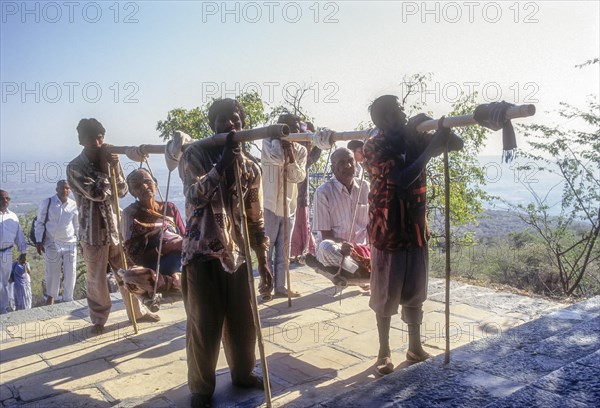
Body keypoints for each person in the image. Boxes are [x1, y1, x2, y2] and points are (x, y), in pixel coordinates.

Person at [179, 98, 273, 407]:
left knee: (243, 323)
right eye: (222, 120)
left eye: (235, 120)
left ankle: (243, 374)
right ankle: (201, 389)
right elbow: (194, 195)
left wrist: (264, 260)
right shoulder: (195, 154)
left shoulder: (250, 166)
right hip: (202, 253)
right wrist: (220, 166)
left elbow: (255, 216)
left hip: (238, 254)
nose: (230, 125)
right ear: (212, 124)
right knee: (204, 326)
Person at [363, 95, 464, 375]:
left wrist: (437, 128)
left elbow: (457, 145)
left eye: (404, 111)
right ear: (384, 120)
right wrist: (430, 146)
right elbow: (400, 178)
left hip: (416, 229)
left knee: (414, 292)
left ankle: (414, 346)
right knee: (385, 294)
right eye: (397, 112)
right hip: (388, 230)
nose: (403, 115)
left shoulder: (412, 138)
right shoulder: (375, 146)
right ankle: (383, 352)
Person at [67, 118, 159, 334]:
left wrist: (115, 166)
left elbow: (123, 191)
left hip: (115, 230)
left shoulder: (109, 162)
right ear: (82, 140)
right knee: (97, 279)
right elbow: (97, 193)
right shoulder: (74, 167)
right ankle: (99, 320)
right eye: (91, 139)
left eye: (100, 137)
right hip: (92, 233)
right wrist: (104, 167)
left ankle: (137, 312)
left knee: (127, 273)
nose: (97, 143)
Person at [261, 114, 307, 298]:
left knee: (283, 250)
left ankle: (281, 287)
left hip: (289, 205)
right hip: (269, 204)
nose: (292, 131)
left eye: (295, 128)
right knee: (267, 249)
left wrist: (292, 155)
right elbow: (277, 159)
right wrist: (282, 146)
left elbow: (297, 176)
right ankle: (266, 287)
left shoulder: (301, 150)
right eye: (288, 127)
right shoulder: (268, 142)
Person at [121, 168, 185, 298]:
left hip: (181, 258)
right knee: (130, 277)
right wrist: (167, 247)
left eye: (147, 181)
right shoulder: (130, 214)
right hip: (153, 266)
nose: (144, 186)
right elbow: (135, 256)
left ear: (155, 184)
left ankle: (173, 281)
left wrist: (181, 244)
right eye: (137, 186)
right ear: (132, 192)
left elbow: (185, 236)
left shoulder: (170, 208)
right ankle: (175, 281)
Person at [309, 148, 371, 282]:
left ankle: (356, 267)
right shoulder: (323, 192)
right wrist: (343, 248)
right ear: (333, 168)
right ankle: (361, 270)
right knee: (325, 247)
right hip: (337, 249)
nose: (348, 166)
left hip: (360, 250)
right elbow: (326, 235)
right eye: (342, 162)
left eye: (350, 161)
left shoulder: (365, 187)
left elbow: (371, 225)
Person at [34, 180, 79, 305]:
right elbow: (40, 223)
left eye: (68, 188)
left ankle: (68, 299)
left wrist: (81, 241)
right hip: (52, 243)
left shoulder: (74, 205)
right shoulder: (48, 202)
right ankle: (51, 297)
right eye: (63, 188)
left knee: (71, 272)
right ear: (57, 189)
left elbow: (77, 225)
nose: (65, 191)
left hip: (70, 243)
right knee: (53, 273)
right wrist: (38, 241)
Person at [290, 121, 321, 264]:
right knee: (297, 224)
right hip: (294, 196)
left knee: (300, 223)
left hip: (300, 197)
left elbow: (316, 152)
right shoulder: (299, 158)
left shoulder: (305, 160)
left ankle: (300, 252)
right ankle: (297, 252)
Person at [0, 190, 27, 314]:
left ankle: (3, 309)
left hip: (7, 253)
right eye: (3, 198)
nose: (6, 201)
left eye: (8, 198)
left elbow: (19, 236)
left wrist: (22, 252)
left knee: (4, 282)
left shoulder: (13, 216)